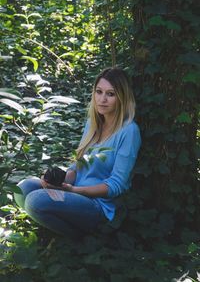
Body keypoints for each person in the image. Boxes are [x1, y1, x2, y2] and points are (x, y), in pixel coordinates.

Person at [14, 67, 141, 237]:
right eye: (99, 92)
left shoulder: (129, 131)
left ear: (122, 97)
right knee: (24, 188)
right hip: (75, 192)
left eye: (110, 94)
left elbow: (116, 185)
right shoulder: (93, 124)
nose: (102, 99)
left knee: (35, 201)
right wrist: (56, 181)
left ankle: (79, 239)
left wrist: (72, 191)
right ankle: (58, 231)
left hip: (97, 206)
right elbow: (77, 168)